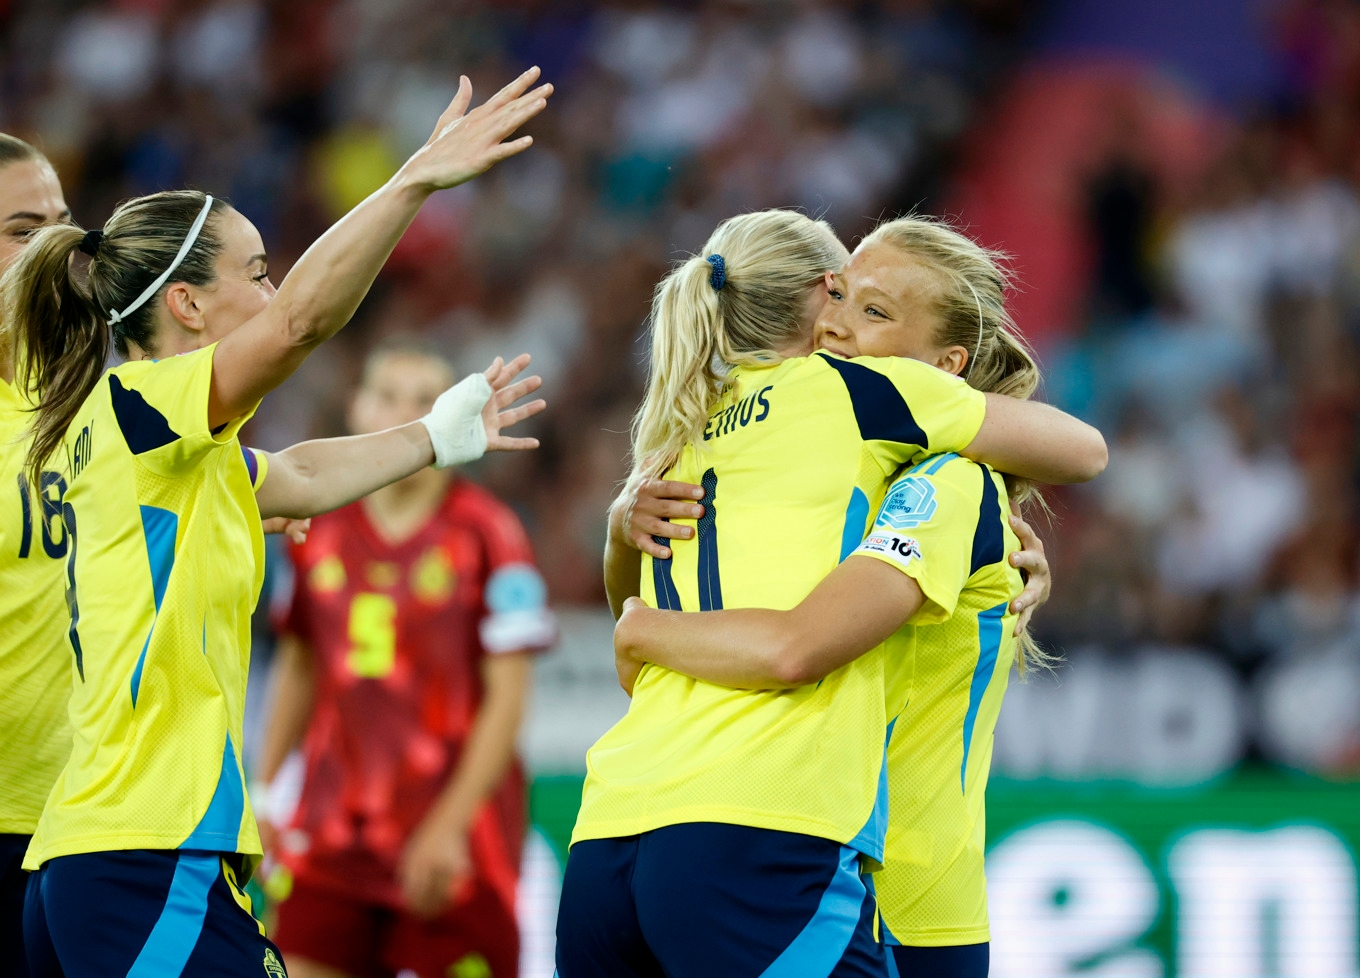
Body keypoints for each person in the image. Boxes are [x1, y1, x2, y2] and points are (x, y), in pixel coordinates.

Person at [1, 67, 553, 977]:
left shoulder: (160, 440)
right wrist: (413, 181)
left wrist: (432, 434)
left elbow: (295, 474)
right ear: (185, 303)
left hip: (106, 852)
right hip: (146, 849)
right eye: (255, 273)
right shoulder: (143, 406)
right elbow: (300, 323)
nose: (269, 292)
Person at [555, 209, 1105, 977]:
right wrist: (626, 546)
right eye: (839, 298)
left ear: (943, 364)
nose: (840, 325)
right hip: (802, 843)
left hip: (900, 894)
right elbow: (781, 638)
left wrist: (636, 611)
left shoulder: (936, 478)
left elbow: (720, 623)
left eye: (872, 310)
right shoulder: (832, 432)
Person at [254, 338, 555, 978]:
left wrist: (450, 825)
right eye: (387, 395)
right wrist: (264, 787)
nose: (403, 412)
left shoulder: (490, 534)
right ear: (356, 408)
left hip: (453, 838)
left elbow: (509, 697)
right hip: (331, 833)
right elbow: (300, 667)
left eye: (426, 400)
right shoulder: (314, 527)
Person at [0, 132, 73, 978]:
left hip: (76, 821)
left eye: (61, 220)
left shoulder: (83, 384)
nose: (57, 245)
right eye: (25, 228)